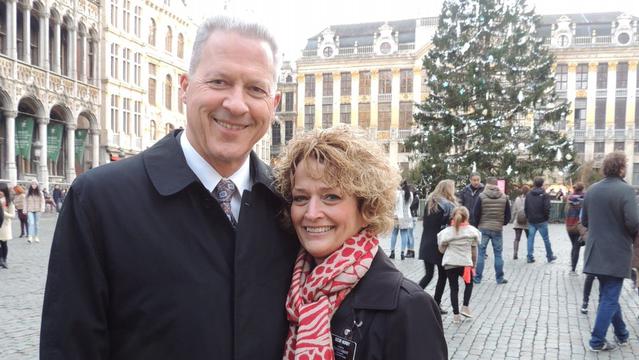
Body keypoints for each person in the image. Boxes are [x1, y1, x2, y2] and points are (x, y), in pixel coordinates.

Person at [40, 16, 299, 359]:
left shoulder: (292, 208)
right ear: (184, 87)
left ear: (274, 104)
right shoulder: (100, 201)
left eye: (255, 89)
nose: (236, 105)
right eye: (219, 81)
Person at [274, 127, 448, 360]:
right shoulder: (285, 289)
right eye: (301, 198)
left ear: (367, 208)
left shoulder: (409, 307)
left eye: (331, 197)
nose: (312, 213)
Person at [582, 151, 639, 352]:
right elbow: (634, 223)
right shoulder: (626, 191)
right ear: (622, 168)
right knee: (610, 296)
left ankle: (622, 334)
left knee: (608, 295)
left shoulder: (592, 189)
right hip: (616, 252)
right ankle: (597, 341)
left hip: (595, 250)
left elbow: (584, 221)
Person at [419, 179, 457, 314]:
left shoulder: (430, 203)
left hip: (426, 242)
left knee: (428, 275)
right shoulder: (448, 206)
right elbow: (450, 226)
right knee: (442, 275)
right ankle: (436, 303)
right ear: (448, 189)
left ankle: (412, 297)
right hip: (440, 244)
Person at [437, 206, 479, 323]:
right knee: (469, 284)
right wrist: (473, 265)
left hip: (450, 263)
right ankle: (465, 307)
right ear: (467, 217)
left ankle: (456, 316)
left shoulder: (446, 233)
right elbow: (474, 251)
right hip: (465, 264)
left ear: (453, 217)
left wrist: (446, 245)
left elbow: (441, 250)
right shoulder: (473, 232)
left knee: (453, 288)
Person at [472, 177, 511, 284]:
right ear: (496, 184)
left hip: (483, 228)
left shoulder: (481, 196)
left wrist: (477, 224)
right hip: (497, 229)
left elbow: (475, 213)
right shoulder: (504, 197)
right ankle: (499, 278)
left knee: (481, 253)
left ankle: (477, 278)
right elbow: (508, 215)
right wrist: (502, 223)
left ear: (487, 184)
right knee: (498, 254)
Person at [524, 177, 557, 263]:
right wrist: (546, 217)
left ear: (534, 184)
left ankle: (529, 256)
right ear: (542, 184)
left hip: (532, 220)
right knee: (546, 239)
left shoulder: (528, 194)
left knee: (530, 239)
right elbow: (547, 208)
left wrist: (528, 217)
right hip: (542, 220)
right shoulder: (545, 195)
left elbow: (526, 207)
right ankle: (549, 256)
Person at [389, 181, 413, 260]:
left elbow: (393, 203)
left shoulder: (397, 193)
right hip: (406, 216)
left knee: (394, 233)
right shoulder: (410, 194)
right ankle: (402, 253)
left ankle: (392, 252)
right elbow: (410, 204)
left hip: (397, 216)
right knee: (404, 234)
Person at [565, 182, 585, 275]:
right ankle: (573, 269)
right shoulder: (584, 198)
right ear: (582, 189)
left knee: (574, 246)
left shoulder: (570, 198)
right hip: (578, 226)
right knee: (577, 247)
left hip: (569, 226)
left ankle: (572, 265)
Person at [511, 184, 529, 260]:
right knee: (529, 238)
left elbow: (514, 210)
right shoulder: (530, 199)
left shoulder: (517, 199)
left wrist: (513, 219)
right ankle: (529, 254)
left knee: (517, 238)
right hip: (527, 222)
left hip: (518, 221)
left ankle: (515, 253)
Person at [0, 186, 15, 269]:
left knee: (3, 243)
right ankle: (1, 259)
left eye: (1, 190)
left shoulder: (9, 202)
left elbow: (13, 215)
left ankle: (4, 260)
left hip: (4, 225)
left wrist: (3, 212)